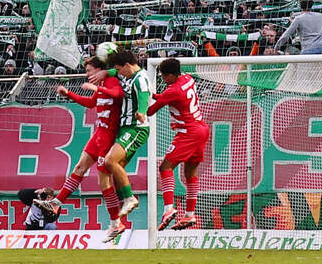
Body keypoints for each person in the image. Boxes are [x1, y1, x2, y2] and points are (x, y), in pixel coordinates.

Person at [51, 53, 130, 237]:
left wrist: (96, 87)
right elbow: (91, 102)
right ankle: (56, 203)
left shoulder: (111, 81)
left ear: (99, 69)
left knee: (103, 181)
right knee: (79, 166)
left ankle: (116, 223)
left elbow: (118, 94)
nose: (87, 75)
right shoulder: (102, 85)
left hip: (110, 136)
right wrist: (69, 94)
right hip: (99, 135)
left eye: (89, 71)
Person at [146, 58, 209, 230]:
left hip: (189, 132)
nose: (163, 79)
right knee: (190, 173)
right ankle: (189, 215)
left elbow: (150, 111)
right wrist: (156, 95)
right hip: (202, 128)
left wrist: (140, 99)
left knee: (165, 167)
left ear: (172, 75)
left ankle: (168, 209)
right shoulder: (188, 78)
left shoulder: (172, 90)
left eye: (164, 76)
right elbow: (169, 97)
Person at [101, 49, 149, 219]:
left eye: (120, 69)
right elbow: (116, 72)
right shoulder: (127, 75)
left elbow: (144, 97)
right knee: (116, 167)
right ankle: (124, 203)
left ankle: (129, 198)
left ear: (128, 66)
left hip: (136, 128)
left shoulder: (141, 79)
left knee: (110, 161)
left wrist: (142, 112)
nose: (119, 73)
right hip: (125, 128)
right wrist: (106, 72)